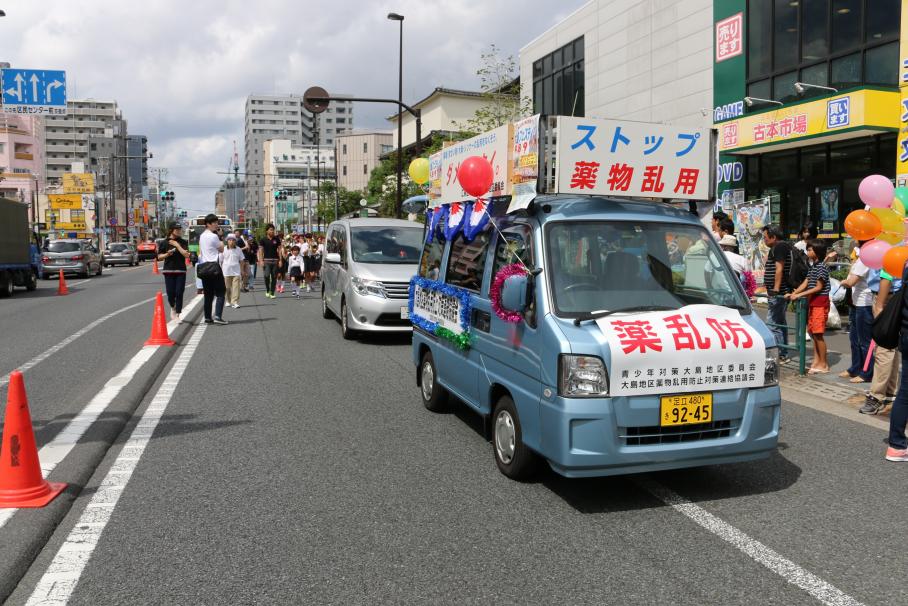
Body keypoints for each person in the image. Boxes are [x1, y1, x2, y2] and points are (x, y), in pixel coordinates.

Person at [861, 269, 903, 414]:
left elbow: (887, 273)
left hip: (887, 299)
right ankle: (890, 392)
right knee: (892, 348)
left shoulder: (891, 246)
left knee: (883, 349)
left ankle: (876, 396)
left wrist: (879, 304)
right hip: (895, 297)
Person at [787, 239, 830, 374]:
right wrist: (794, 293)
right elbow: (806, 282)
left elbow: (819, 287)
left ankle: (823, 364)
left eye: (810, 249)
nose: (808, 251)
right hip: (813, 302)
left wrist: (799, 295)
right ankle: (817, 361)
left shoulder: (821, 267)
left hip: (820, 303)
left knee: (818, 334)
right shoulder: (813, 266)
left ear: (817, 252)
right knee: (813, 333)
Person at [838, 242, 874, 383]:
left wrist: (843, 281)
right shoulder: (859, 260)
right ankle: (856, 367)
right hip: (855, 303)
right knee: (854, 339)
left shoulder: (865, 260)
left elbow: (851, 281)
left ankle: (867, 372)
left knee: (865, 341)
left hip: (864, 304)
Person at [761, 225, 793, 361]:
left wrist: (775, 289)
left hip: (779, 292)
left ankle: (780, 353)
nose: (764, 240)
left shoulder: (779, 247)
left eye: (765, 237)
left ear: (774, 237)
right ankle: (783, 352)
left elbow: (779, 269)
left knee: (772, 323)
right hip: (779, 291)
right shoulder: (781, 247)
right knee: (779, 322)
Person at [198, 214, 228, 324]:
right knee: (221, 292)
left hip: (204, 268)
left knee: (208, 294)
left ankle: (207, 317)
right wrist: (220, 237)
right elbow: (221, 249)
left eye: (217, 222)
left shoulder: (201, 236)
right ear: (208, 224)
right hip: (214, 268)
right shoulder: (214, 236)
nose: (217, 224)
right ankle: (218, 317)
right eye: (214, 223)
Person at [157, 224, 190, 322]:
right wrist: (167, 254)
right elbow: (159, 257)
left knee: (179, 292)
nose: (179, 231)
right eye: (177, 229)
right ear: (171, 230)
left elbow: (186, 255)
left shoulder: (183, 242)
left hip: (181, 270)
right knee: (170, 293)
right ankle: (173, 307)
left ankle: (178, 313)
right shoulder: (164, 242)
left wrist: (177, 245)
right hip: (168, 270)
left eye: (180, 229)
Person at [221, 233, 244, 309]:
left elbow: (241, 260)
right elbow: (220, 261)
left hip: (236, 272)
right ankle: (228, 301)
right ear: (227, 241)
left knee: (236, 288)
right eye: (230, 240)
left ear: (235, 241)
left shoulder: (238, 249)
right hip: (226, 272)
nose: (231, 241)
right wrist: (220, 271)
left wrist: (242, 270)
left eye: (233, 240)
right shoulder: (223, 249)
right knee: (227, 288)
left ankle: (235, 302)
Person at [258, 224, 281, 299]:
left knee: (274, 277)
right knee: (266, 275)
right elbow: (261, 250)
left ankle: (272, 292)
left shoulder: (276, 239)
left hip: (275, 260)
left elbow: (280, 250)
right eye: (270, 229)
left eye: (273, 229)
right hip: (266, 261)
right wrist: (261, 260)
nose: (272, 231)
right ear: (267, 231)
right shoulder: (263, 240)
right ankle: (267, 289)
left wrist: (280, 260)